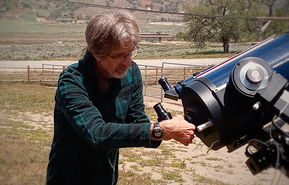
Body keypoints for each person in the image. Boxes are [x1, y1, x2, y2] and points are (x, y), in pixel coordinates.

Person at [46, 10, 196, 185]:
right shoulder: (72, 81)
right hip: (69, 178)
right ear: (97, 52)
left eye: (131, 53)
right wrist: (160, 130)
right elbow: (97, 133)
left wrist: (169, 128)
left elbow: (137, 121)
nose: (128, 62)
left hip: (106, 178)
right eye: (120, 56)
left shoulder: (131, 73)